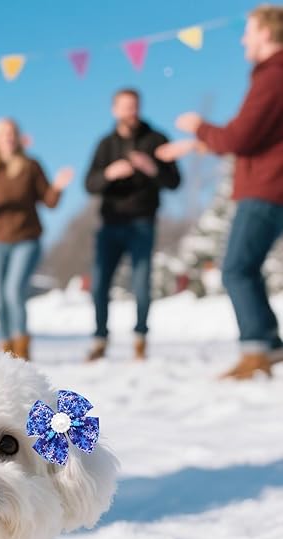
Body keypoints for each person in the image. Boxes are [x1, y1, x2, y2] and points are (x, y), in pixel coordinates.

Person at [157, 5, 283, 380]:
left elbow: (240, 137)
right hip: (267, 183)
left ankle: (256, 350)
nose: (243, 38)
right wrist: (191, 146)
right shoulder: (271, 76)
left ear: (266, 32)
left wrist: (198, 127)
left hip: (266, 187)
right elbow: (251, 136)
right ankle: (269, 345)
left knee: (236, 268)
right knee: (245, 267)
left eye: (249, 30)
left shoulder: (273, 76)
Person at [84, 89, 181, 361]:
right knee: (100, 283)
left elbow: (175, 182)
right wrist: (108, 174)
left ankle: (140, 338)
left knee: (140, 282)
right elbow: (89, 184)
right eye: (126, 107)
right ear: (115, 110)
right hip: (110, 222)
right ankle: (100, 339)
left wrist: (152, 168)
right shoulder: (105, 144)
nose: (131, 112)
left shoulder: (156, 139)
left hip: (143, 222)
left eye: (135, 106)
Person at [0, 118, 73, 361]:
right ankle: (6, 346)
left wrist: (58, 186)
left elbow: (49, 202)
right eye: (3, 133)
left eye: (12, 132)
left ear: (18, 137)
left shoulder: (30, 166)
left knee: (13, 290)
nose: (8, 137)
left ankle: (22, 347)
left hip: (26, 239)